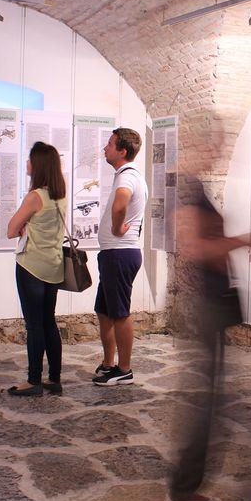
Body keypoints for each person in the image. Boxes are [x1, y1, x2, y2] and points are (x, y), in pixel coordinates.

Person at [166, 174, 251, 501]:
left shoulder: (194, 188)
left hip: (210, 306)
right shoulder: (188, 191)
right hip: (205, 308)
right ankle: (183, 489)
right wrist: (243, 240)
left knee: (207, 401)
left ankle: (184, 486)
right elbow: (197, 248)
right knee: (204, 403)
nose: (215, 149)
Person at [5, 142, 68, 397]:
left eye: (30, 159)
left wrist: (24, 226)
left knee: (34, 326)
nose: (27, 163)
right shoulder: (60, 195)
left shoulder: (35, 196)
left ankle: (33, 381)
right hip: (53, 266)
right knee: (49, 322)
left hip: (31, 266)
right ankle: (54, 379)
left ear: (38, 164)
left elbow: (11, 230)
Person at [92, 127, 148, 386]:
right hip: (114, 254)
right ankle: (108, 363)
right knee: (104, 310)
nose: (105, 148)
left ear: (122, 151)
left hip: (119, 253)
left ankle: (124, 369)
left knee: (119, 313)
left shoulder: (127, 176)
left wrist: (116, 228)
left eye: (110, 144)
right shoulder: (127, 175)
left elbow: (120, 204)